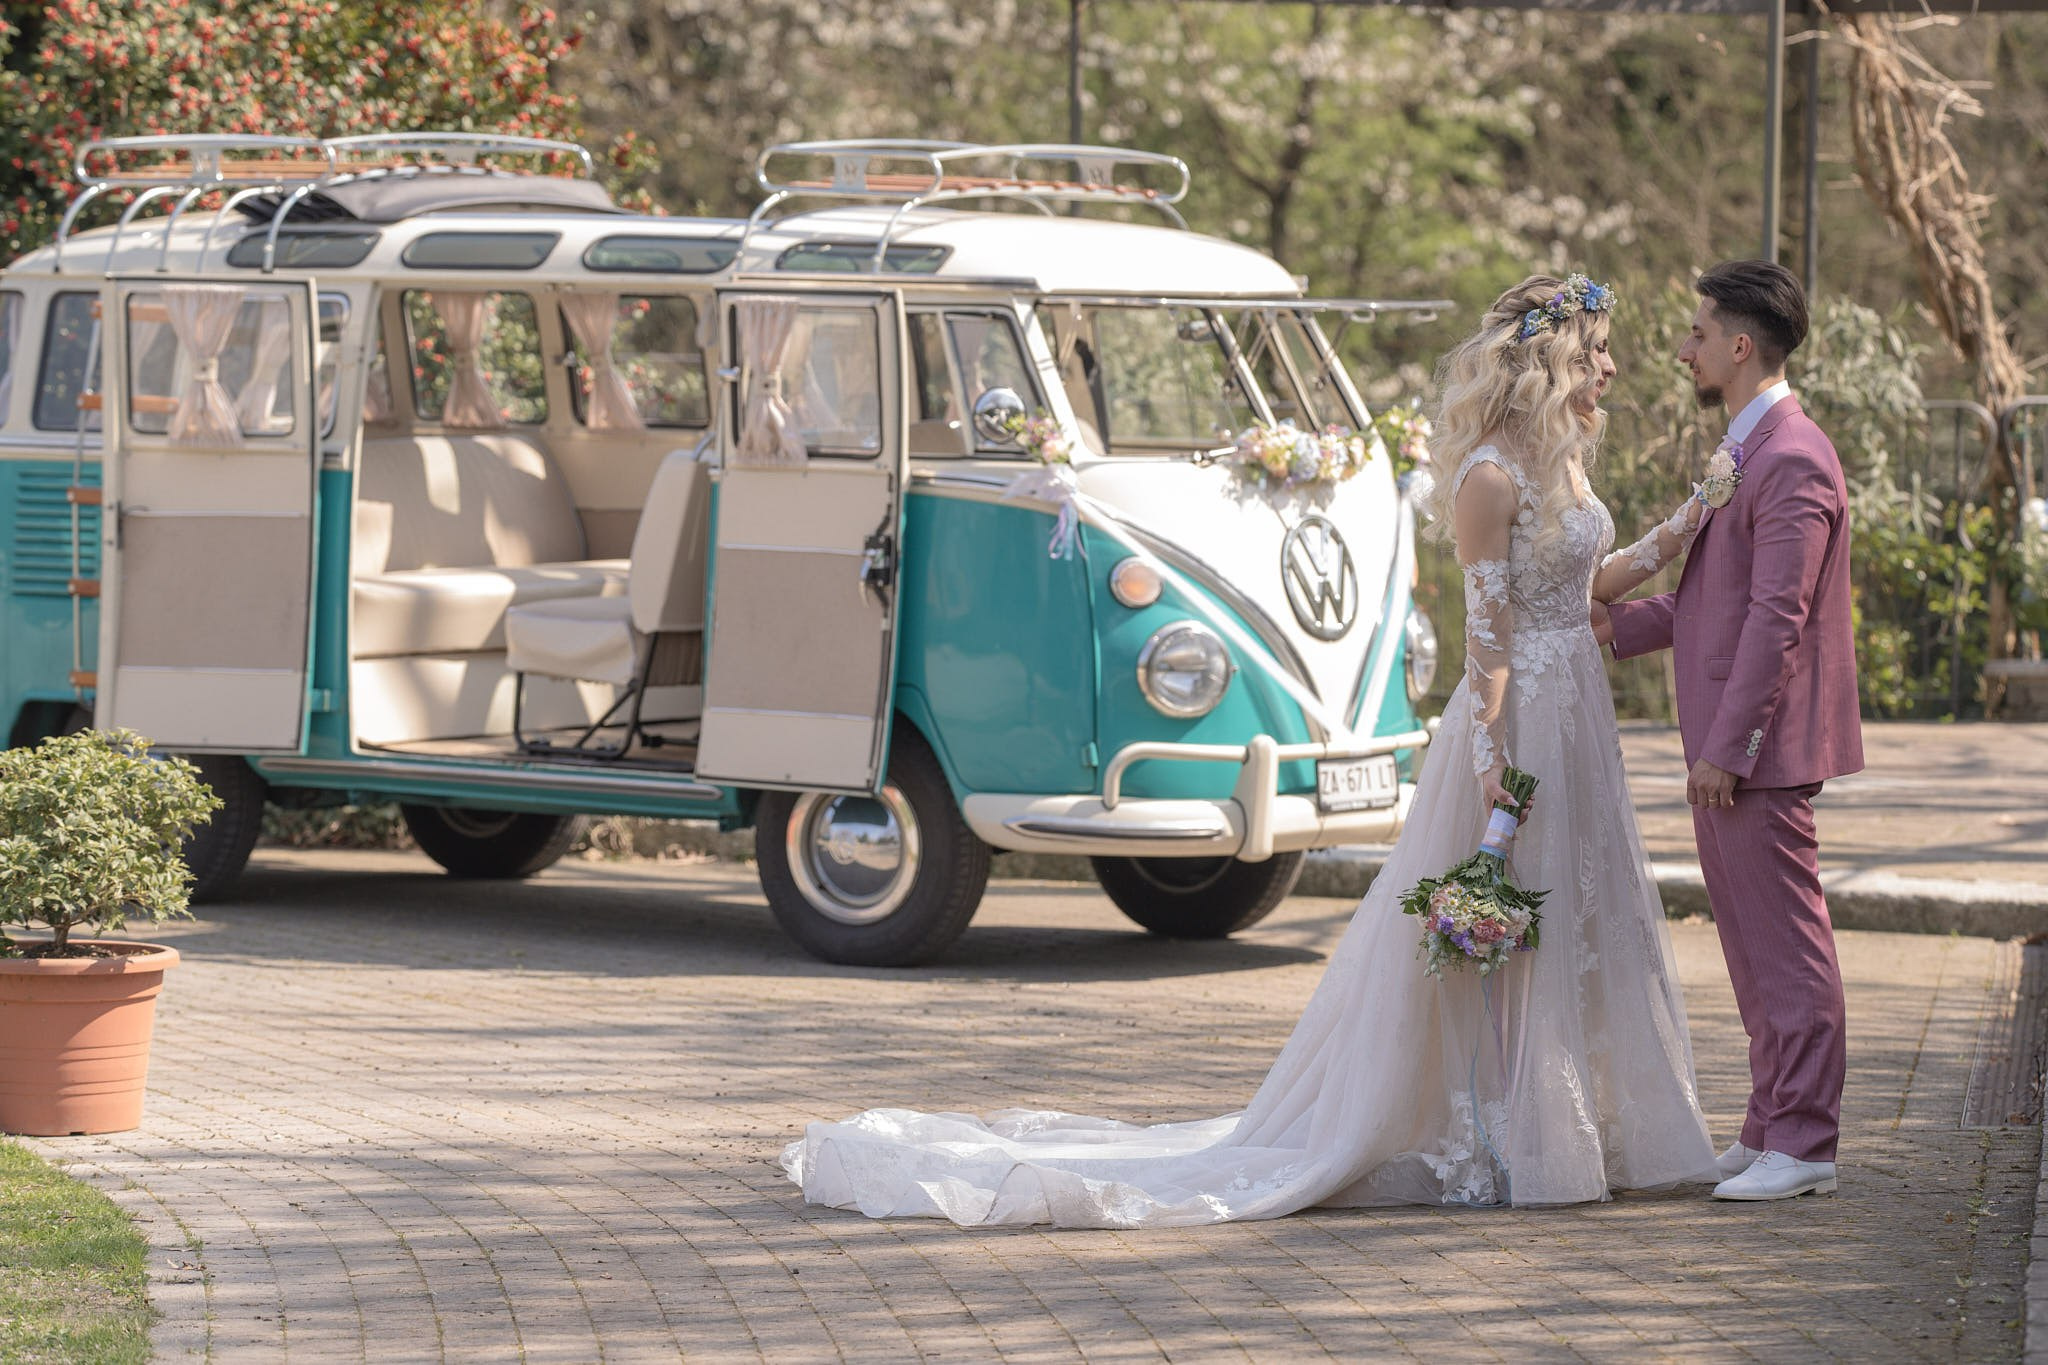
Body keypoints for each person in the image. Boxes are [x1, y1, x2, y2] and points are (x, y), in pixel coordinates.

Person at [780, 275, 1723, 1228]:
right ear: (1553, 361)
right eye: (1597, 349)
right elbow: (1489, 639)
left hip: (1578, 715)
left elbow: (1586, 583)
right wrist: (1492, 769)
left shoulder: (1564, 467)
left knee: (1581, 912)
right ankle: (1517, 1136)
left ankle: (1571, 1131)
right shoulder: (1489, 476)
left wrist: (1693, 519)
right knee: (1516, 930)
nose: (1610, 366)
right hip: (1518, 729)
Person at [1593, 259, 1861, 1202]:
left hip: (1758, 751)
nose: (1684, 348)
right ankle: (1768, 1122)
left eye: (1698, 332)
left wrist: (1729, 748)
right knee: (1748, 941)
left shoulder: (1790, 457)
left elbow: (1776, 619)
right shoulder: (1747, 449)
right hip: (1725, 744)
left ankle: (1807, 1138)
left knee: (1786, 942)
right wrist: (1610, 630)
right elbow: (1715, 600)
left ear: (1740, 346)